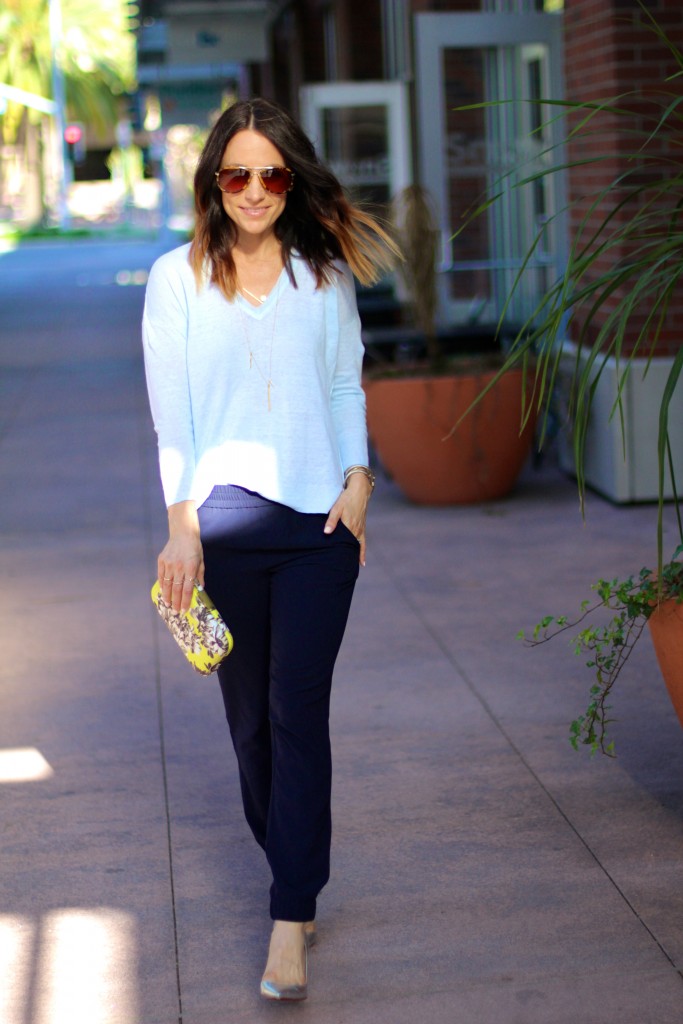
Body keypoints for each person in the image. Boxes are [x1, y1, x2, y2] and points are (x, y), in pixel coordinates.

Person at [142, 97, 399, 1001]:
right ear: (215, 182)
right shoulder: (176, 278)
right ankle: (294, 864)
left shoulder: (321, 274)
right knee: (248, 727)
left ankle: (289, 915)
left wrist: (358, 479)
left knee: (297, 716)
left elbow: (341, 382)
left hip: (317, 532)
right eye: (238, 175)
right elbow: (171, 410)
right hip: (223, 531)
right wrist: (182, 527)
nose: (256, 191)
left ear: (292, 179)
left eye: (273, 174)